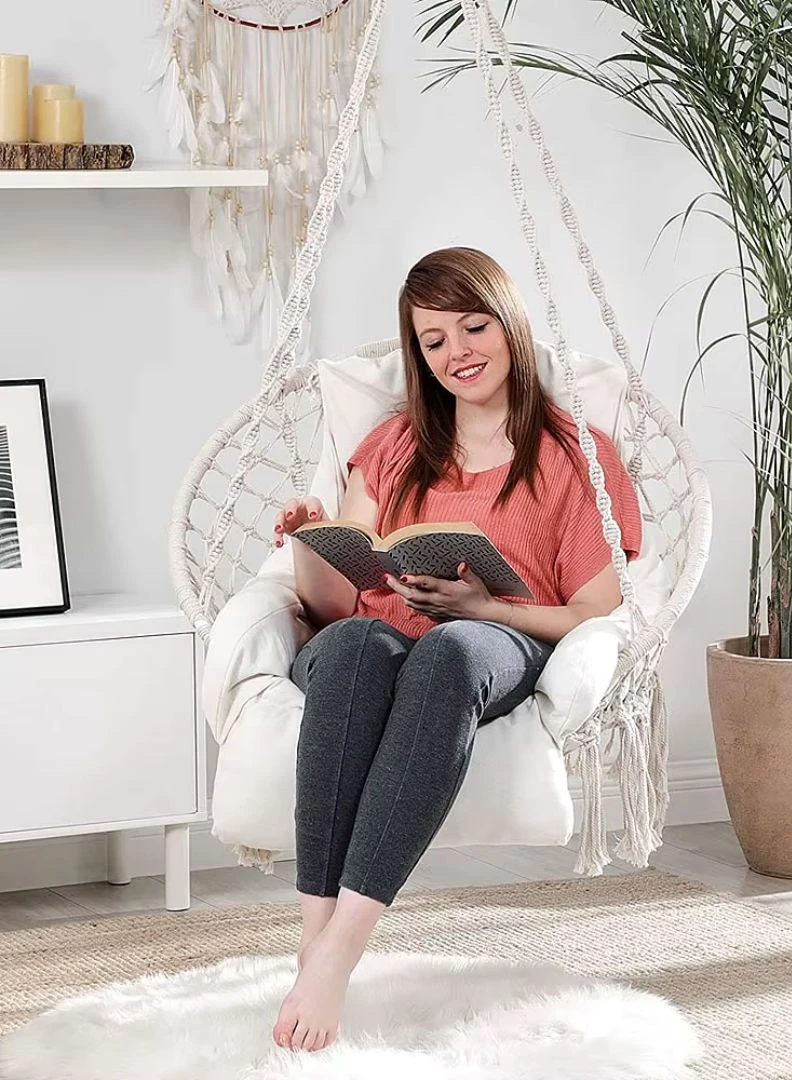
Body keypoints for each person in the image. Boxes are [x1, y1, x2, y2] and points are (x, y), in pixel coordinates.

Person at [269, 247, 642, 1053]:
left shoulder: (577, 453)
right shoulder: (396, 442)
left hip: (492, 642)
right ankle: (315, 939)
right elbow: (332, 604)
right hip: (374, 638)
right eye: (433, 341)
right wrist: (309, 540)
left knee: (452, 652)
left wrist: (484, 604)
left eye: (473, 327)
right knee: (359, 643)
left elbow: (595, 611)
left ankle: (341, 948)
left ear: (509, 324)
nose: (457, 353)